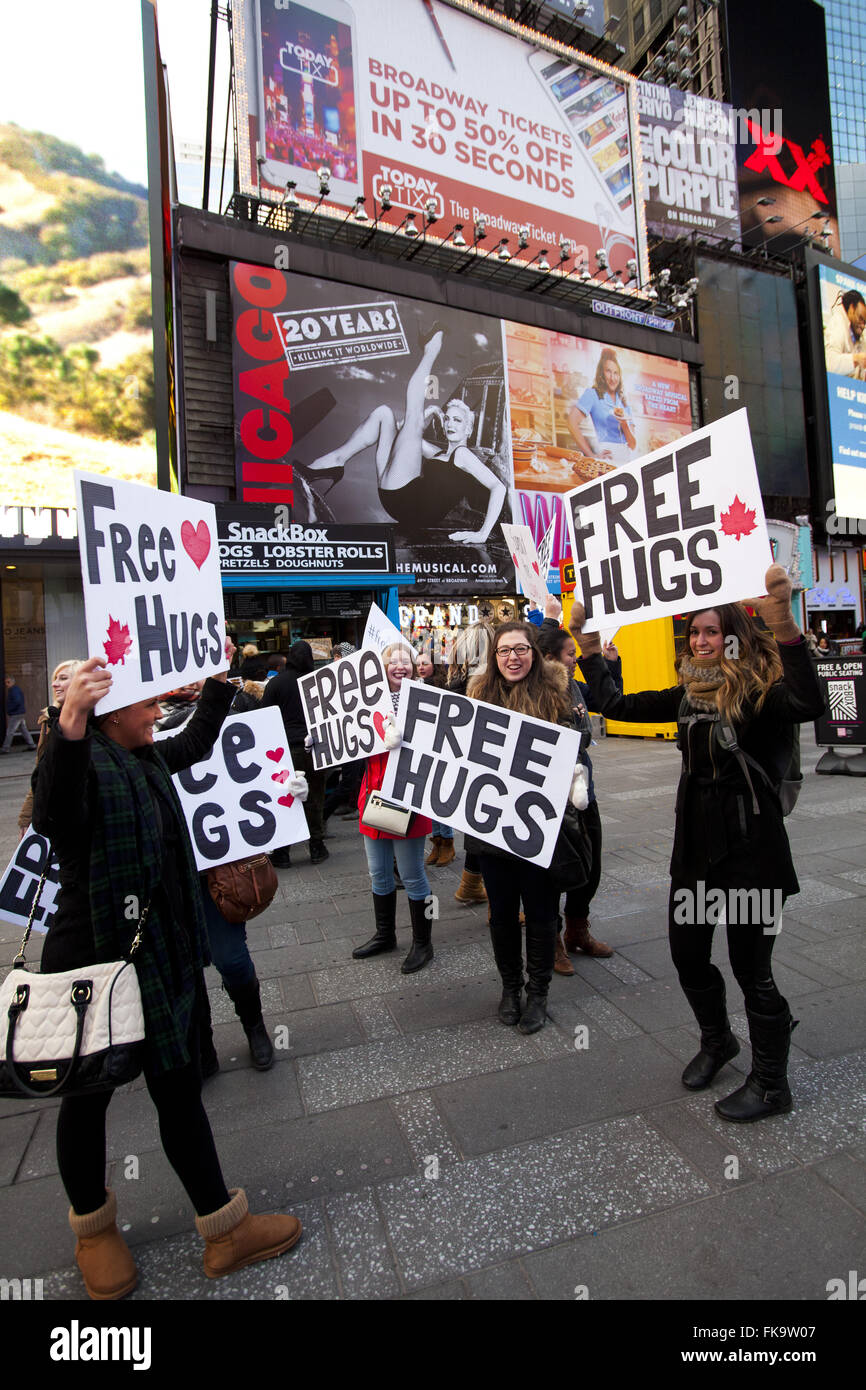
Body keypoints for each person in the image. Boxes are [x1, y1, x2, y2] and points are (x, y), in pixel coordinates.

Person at [31, 652, 303, 1299]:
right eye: (146, 703)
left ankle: (224, 1231)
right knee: (86, 1099)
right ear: (106, 712)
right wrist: (68, 722)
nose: (158, 711)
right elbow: (52, 814)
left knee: (178, 1092)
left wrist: (216, 684)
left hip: (159, 960)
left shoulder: (143, 755)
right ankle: (94, 1231)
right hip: (92, 963)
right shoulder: (76, 763)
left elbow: (194, 742)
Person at [570, 565, 826, 1122]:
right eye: (696, 634)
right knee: (688, 957)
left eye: (713, 632)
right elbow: (614, 704)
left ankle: (771, 1083)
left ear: (734, 636)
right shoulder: (687, 695)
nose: (703, 641)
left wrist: (784, 623)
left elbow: (810, 703)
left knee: (750, 969)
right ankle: (718, 1042)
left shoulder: (762, 695)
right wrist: (589, 647)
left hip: (751, 857)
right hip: (695, 858)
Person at [466, 621, 583, 1034]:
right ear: (494, 659)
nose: (512, 657)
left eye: (520, 649)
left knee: (540, 910)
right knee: (501, 913)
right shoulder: (477, 695)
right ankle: (509, 988)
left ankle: (538, 993)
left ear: (533, 653)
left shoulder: (557, 693)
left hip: (538, 825)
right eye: (503, 651)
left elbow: (575, 745)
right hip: (492, 826)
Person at [293, 331, 507, 544]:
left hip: (409, 504)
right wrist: (428, 413)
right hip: (400, 499)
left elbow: (499, 487)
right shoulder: (441, 453)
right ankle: (335, 463)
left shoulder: (463, 455)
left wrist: (482, 533)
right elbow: (399, 430)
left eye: (458, 421)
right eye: (448, 419)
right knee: (384, 414)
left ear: (469, 430)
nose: (451, 423)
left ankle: (432, 349)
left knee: (412, 415)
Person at [535, 617, 623, 969]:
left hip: (584, 788)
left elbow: (609, 701)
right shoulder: (531, 691)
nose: (574, 659)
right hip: (547, 794)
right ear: (550, 657)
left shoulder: (575, 687)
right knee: (555, 867)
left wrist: (611, 665)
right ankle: (553, 937)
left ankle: (577, 929)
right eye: (570, 654)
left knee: (591, 862)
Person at [351, 642, 435, 973]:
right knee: (378, 873)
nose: (400, 666)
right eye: (393, 662)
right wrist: (321, 743)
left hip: (409, 798)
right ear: (382, 668)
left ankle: (424, 943)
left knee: (414, 876)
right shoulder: (366, 703)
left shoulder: (428, 702)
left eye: (406, 661)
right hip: (373, 797)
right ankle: (385, 934)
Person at [261, 640, 328, 866]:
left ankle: (282, 853)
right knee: (315, 797)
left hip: (284, 750)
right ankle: (317, 847)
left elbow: (264, 717)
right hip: (315, 748)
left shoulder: (276, 684)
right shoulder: (318, 682)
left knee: (286, 798)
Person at [447, 622, 495, 905]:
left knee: (479, 825)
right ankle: (496, 900)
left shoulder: (455, 681)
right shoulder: (488, 684)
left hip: (465, 765)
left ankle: (470, 884)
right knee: (490, 830)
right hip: (486, 764)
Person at [18, 659, 83, 836]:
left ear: (80, 681)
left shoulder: (95, 718)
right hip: (56, 815)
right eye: (55, 678)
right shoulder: (49, 720)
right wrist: (26, 816)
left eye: (63, 678)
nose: (55, 684)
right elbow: (41, 771)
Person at [416, 649, 454, 867]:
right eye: (418, 663)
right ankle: (437, 842)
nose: (421, 667)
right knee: (429, 799)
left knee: (441, 797)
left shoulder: (443, 686)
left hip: (442, 747)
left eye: (425, 663)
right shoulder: (415, 685)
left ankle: (447, 842)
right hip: (423, 748)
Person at [567, 347, 637, 463]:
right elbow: (571, 422)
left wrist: (624, 423)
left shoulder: (623, 401)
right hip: (606, 458)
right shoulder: (592, 394)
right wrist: (590, 455)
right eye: (608, 371)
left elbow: (633, 445)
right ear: (601, 373)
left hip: (626, 460)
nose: (612, 378)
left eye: (616, 373)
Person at [823, 289, 866, 378]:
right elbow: (830, 365)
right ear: (851, 309)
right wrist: (856, 359)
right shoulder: (838, 324)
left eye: (865, 322)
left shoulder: (859, 338)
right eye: (860, 319)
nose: (862, 326)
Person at [2, 675, 36, 752]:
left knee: (10, 731)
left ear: (12, 682)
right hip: (19, 713)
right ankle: (31, 744)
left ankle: (5, 748)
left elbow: (17, 701)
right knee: (23, 730)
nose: (7, 684)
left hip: (16, 714)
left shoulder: (14, 690)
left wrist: (10, 710)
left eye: (8, 682)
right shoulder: (15, 689)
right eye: (6, 682)